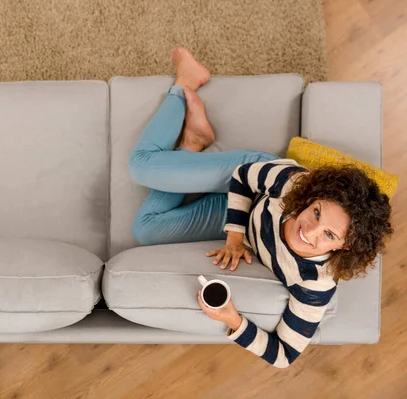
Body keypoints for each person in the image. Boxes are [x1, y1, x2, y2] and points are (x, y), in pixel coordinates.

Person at [128, 47, 393, 368]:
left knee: (145, 229)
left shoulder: (314, 284)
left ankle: (193, 143)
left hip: (248, 219)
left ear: (344, 246)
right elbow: (241, 177)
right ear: (312, 199)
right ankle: (185, 83)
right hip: (248, 180)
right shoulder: (294, 186)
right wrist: (235, 236)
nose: (308, 230)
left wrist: (233, 320)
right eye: (317, 213)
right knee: (141, 165)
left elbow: (284, 356)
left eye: (328, 234)